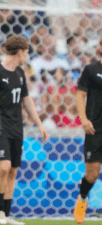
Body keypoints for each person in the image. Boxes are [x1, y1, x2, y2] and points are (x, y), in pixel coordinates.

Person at [0, 35, 48, 225]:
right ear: (20, 51)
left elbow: (26, 99)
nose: (26, 55)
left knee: (12, 171)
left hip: (16, 127)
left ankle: (6, 214)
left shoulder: (20, 72)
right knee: (3, 166)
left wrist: (39, 123)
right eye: (27, 51)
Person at [73, 37, 102, 224]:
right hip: (95, 129)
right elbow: (80, 95)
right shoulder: (91, 70)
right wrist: (83, 119)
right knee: (92, 174)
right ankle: (83, 198)